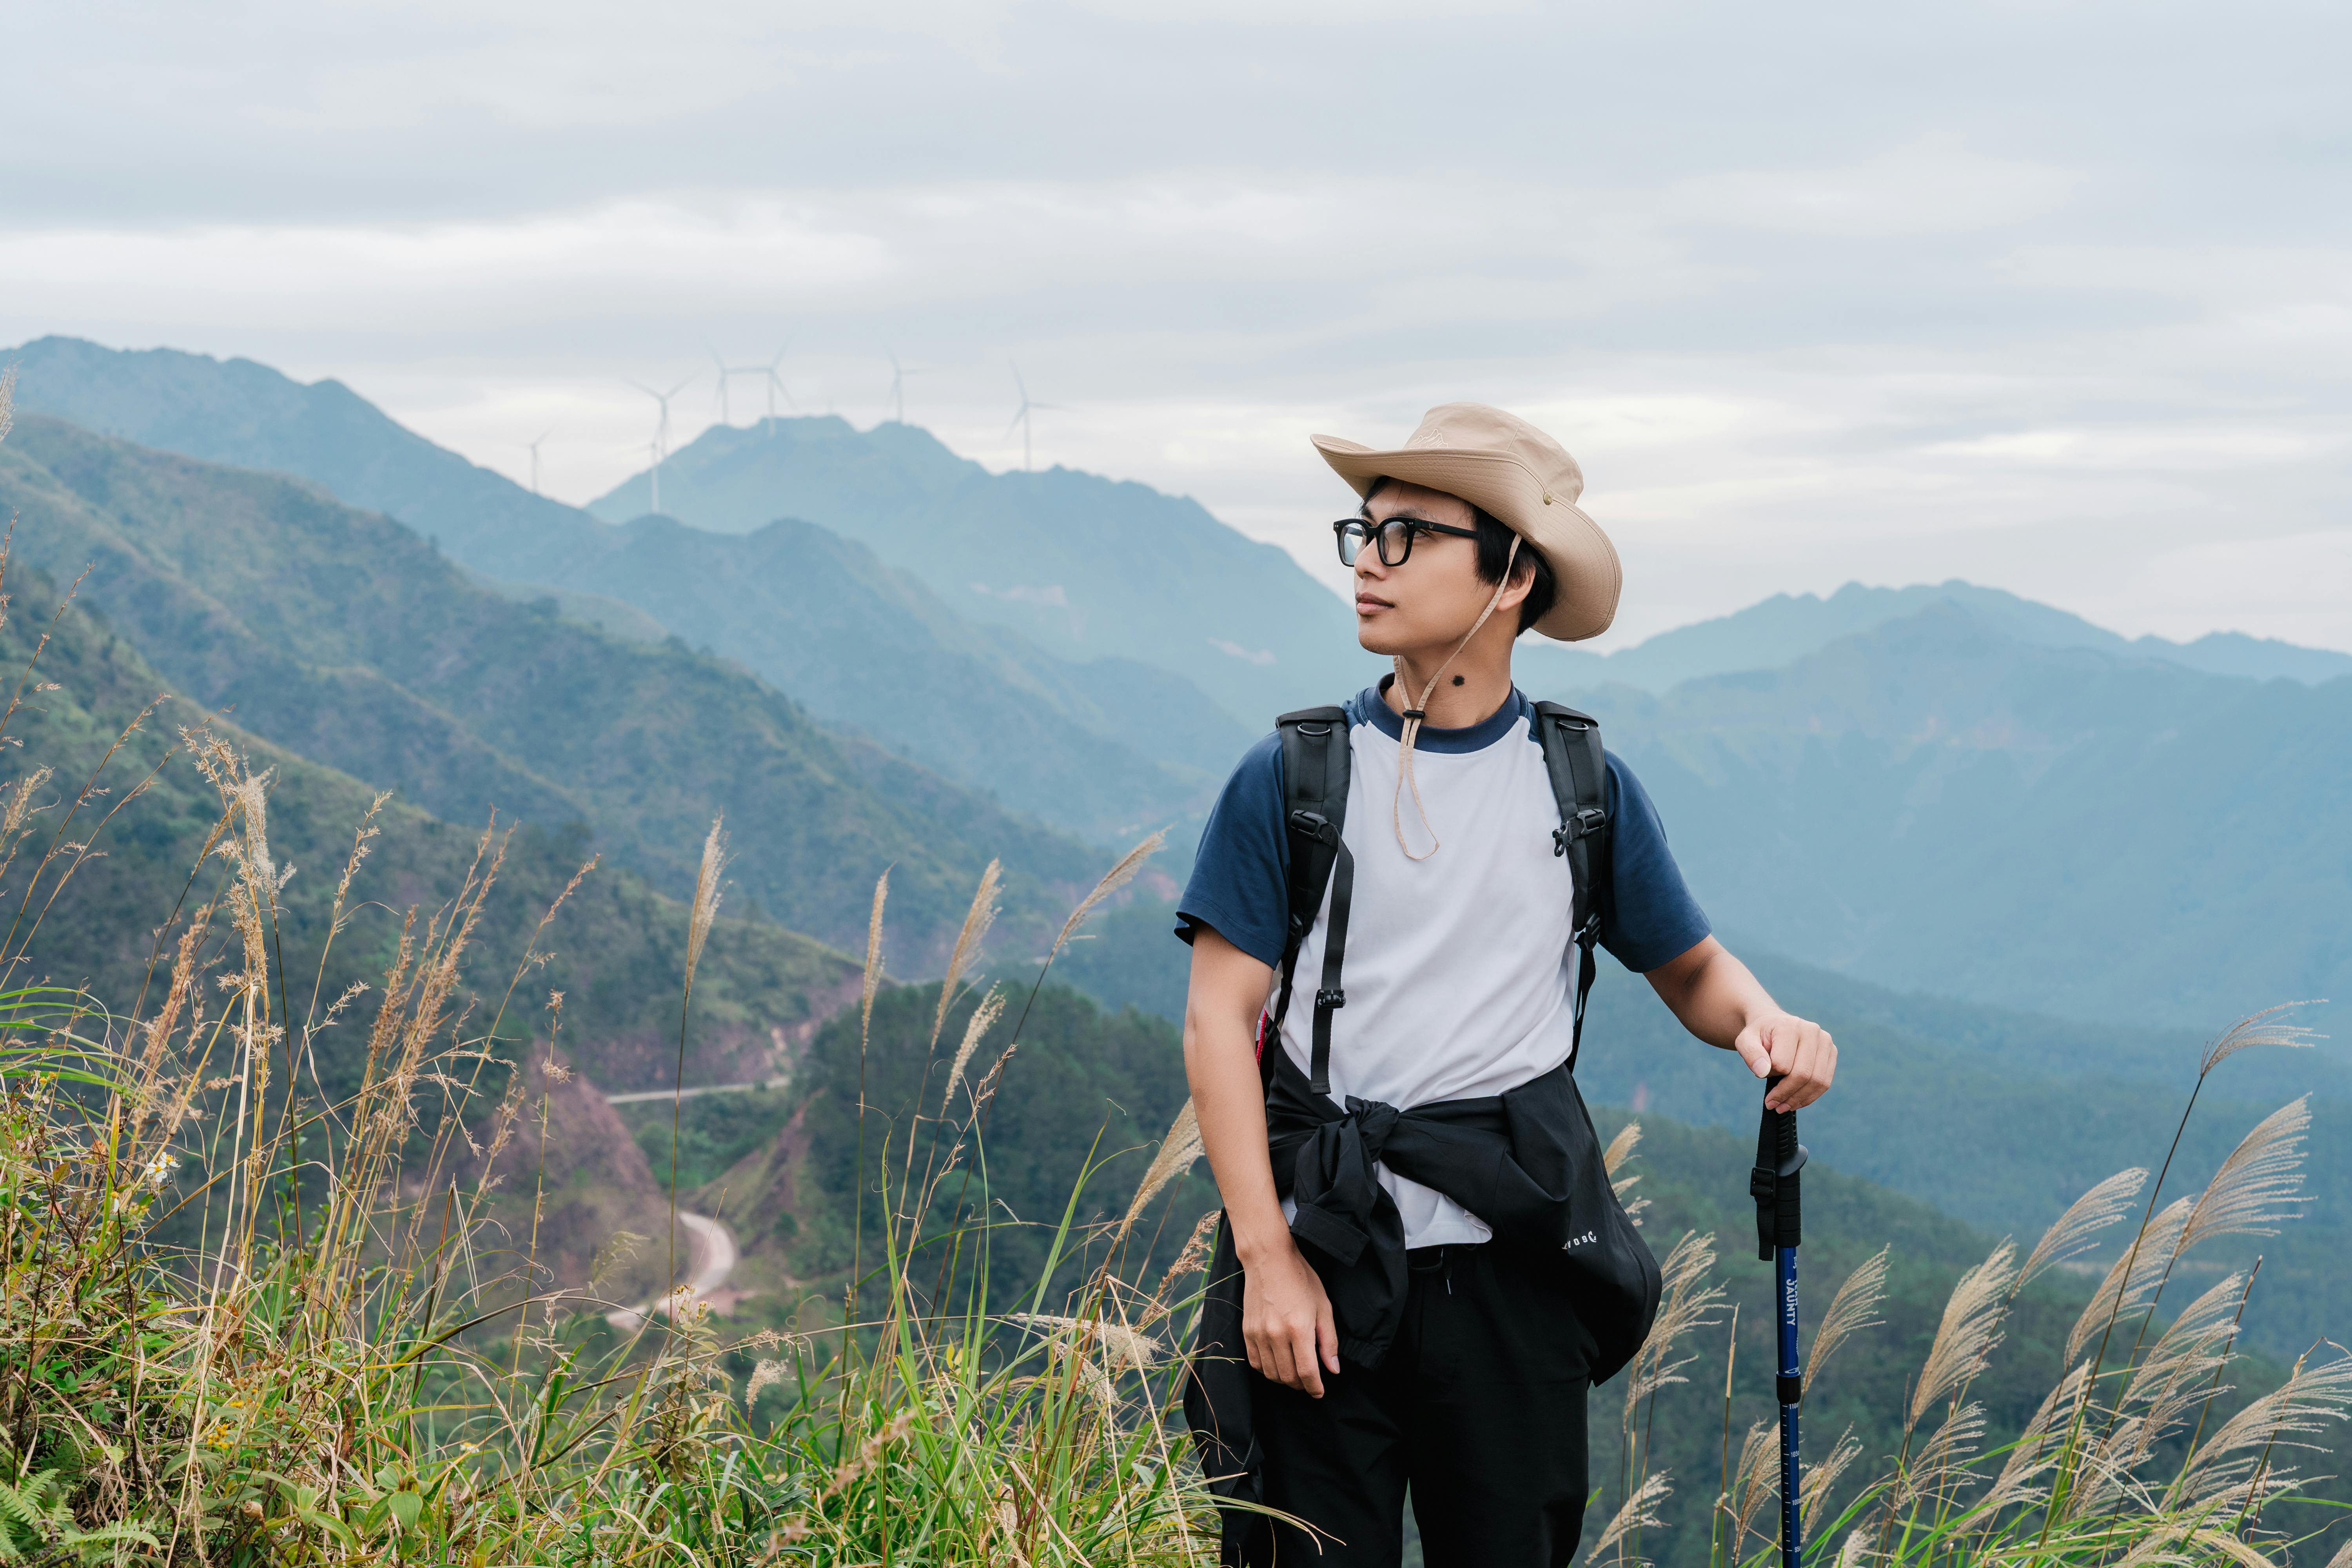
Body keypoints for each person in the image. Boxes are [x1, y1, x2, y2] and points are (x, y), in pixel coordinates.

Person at [1176, 404, 1838, 1567]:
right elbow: (1217, 1022)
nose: (1368, 567)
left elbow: (1688, 968)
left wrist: (1765, 1022)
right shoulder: (1292, 777)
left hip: (1515, 1272)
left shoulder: (1579, 784)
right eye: (1362, 534)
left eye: (1407, 538)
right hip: (1323, 1252)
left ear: (1515, 576)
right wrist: (1265, 1263)